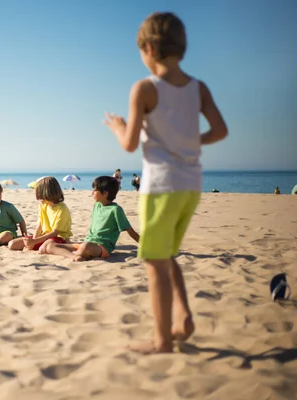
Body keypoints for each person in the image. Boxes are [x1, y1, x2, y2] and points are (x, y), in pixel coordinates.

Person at [103, 12, 228, 354]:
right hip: (191, 185)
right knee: (166, 253)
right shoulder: (197, 88)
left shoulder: (144, 88)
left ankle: (161, 341)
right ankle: (184, 316)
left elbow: (129, 144)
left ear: (149, 48)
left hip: (160, 186)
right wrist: (187, 143)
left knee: (154, 264)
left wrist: (117, 126)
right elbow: (220, 130)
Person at [44, 176, 140, 261]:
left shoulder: (116, 210)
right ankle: (74, 256)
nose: (92, 192)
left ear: (105, 193)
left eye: (95, 190)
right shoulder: (97, 205)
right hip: (87, 242)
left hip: (102, 247)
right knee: (50, 245)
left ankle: (75, 255)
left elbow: (130, 230)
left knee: (85, 247)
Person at [8, 176, 72, 252]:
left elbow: (55, 233)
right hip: (43, 236)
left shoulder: (62, 208)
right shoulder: (43, 205)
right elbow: (39, 226)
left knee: (43, 248)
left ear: (48, 193)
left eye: (40, 194)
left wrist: (34, 241)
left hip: (59, 238)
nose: (38, 198)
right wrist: (32, 242)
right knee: (12, 244)